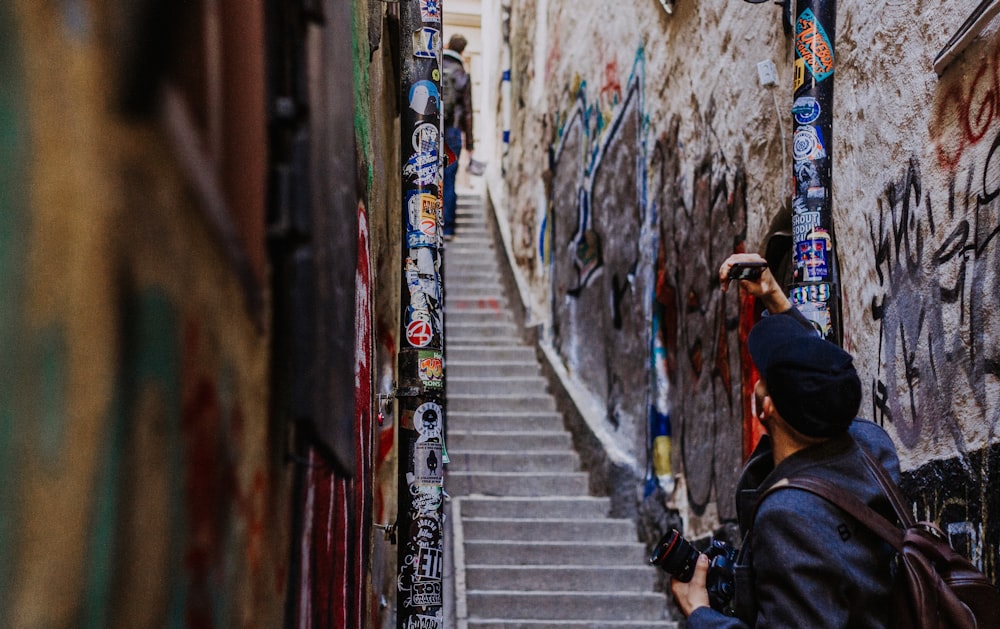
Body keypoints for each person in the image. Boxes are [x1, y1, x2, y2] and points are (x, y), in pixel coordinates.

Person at [671, 252, 902, 628]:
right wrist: (773, 296)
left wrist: (700, 614)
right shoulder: (873, 450)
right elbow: (821, 378)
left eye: (763, 377)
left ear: (767, 408)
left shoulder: (788, 517)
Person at [441, 33, 473, 240]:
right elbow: (468, 112)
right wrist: (469, 143)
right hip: (452, 132)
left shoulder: (435, 63)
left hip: (431, 127)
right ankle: (448, 229)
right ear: (462, 51)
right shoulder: (462, 73)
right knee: (449, 178)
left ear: (447, 45)